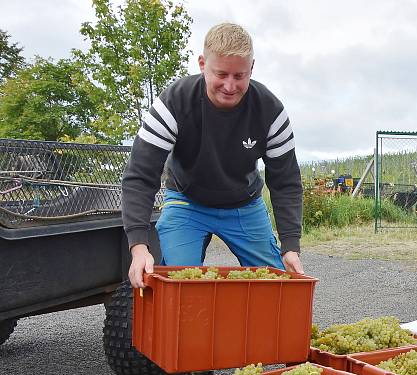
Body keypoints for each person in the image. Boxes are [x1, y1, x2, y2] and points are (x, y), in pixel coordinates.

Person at [121, 22, 304, 289]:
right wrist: (138, 247)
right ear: (202, 64)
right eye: (221, 74)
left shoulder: (271, 112)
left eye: (239, 76)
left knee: (276, 283)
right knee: (179, 282)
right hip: (186, 202)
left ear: (251, 68)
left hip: (244, 206)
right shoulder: (174, 103)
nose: (230, 86)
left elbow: (285, 181)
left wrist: (290, 246)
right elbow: (139, 176)